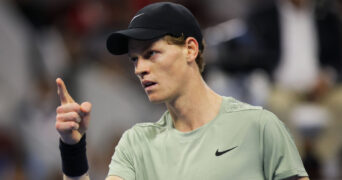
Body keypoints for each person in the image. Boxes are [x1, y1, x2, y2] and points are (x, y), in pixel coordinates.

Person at [55, 2, 309, 180]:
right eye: (134, 59)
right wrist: (72, 148)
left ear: (190, 49)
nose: (139, 69)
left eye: (151, 54)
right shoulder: (136, 143)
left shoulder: (261, 127)